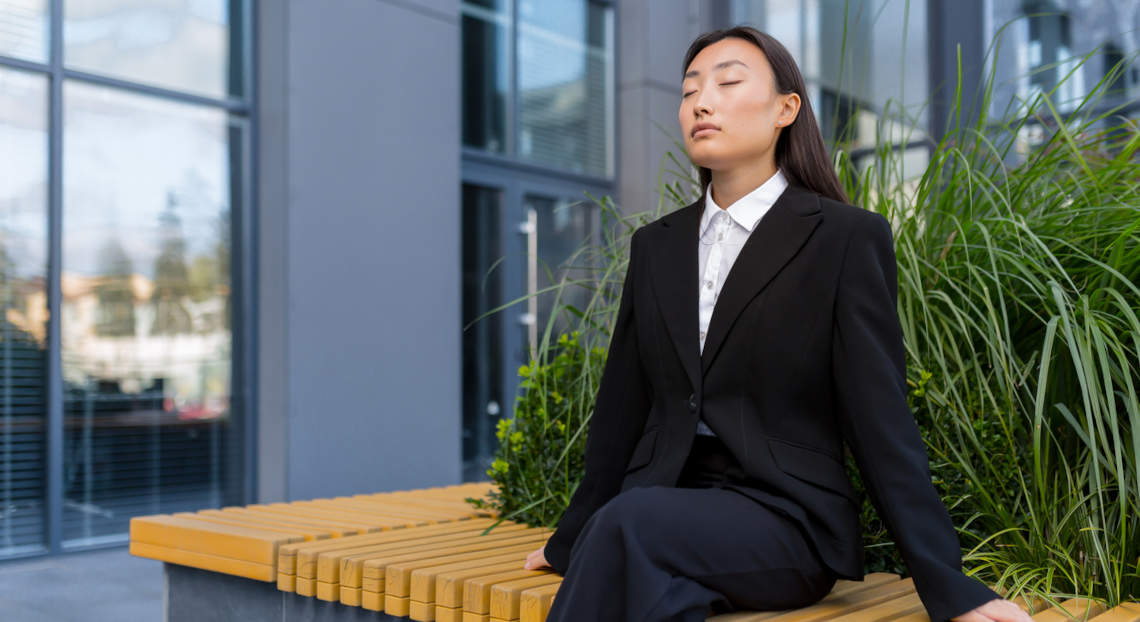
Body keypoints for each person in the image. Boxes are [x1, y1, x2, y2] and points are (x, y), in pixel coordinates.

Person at [520, 25, 1036, 622]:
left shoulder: (843, 238)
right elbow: (622, 406)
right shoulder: (655, 246)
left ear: (785, 109)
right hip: (665, 510)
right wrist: (570, 539)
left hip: (785, 520)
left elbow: (880, 420)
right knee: (658, 589)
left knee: (630, 530)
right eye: (689, 92)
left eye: (728, 82)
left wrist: (950, 587)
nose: (701, 102)